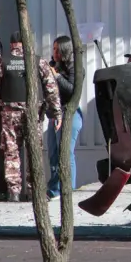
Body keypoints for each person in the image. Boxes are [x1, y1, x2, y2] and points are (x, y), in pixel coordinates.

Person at [0, 31, 61, 202]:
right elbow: (51, 89)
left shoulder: (3, 62)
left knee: (12, 152)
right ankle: (35, 192)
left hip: (10, 114)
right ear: (27, 44)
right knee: (34, 151)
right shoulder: (38, 61)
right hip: (34, 114)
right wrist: (56, 113)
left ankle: (14, 193)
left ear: (12, 45)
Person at [46, 35, 83, 201]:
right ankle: (55, 189)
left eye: (56, 49)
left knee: (66, 154)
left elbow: (71, 90)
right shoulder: (55, 66)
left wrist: (57, 77)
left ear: (64, 50)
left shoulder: (75, 67)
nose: (54, 53)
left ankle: (68, 190)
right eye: (53, 49)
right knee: (53, 153)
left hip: (70, 113)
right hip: (55, 114)